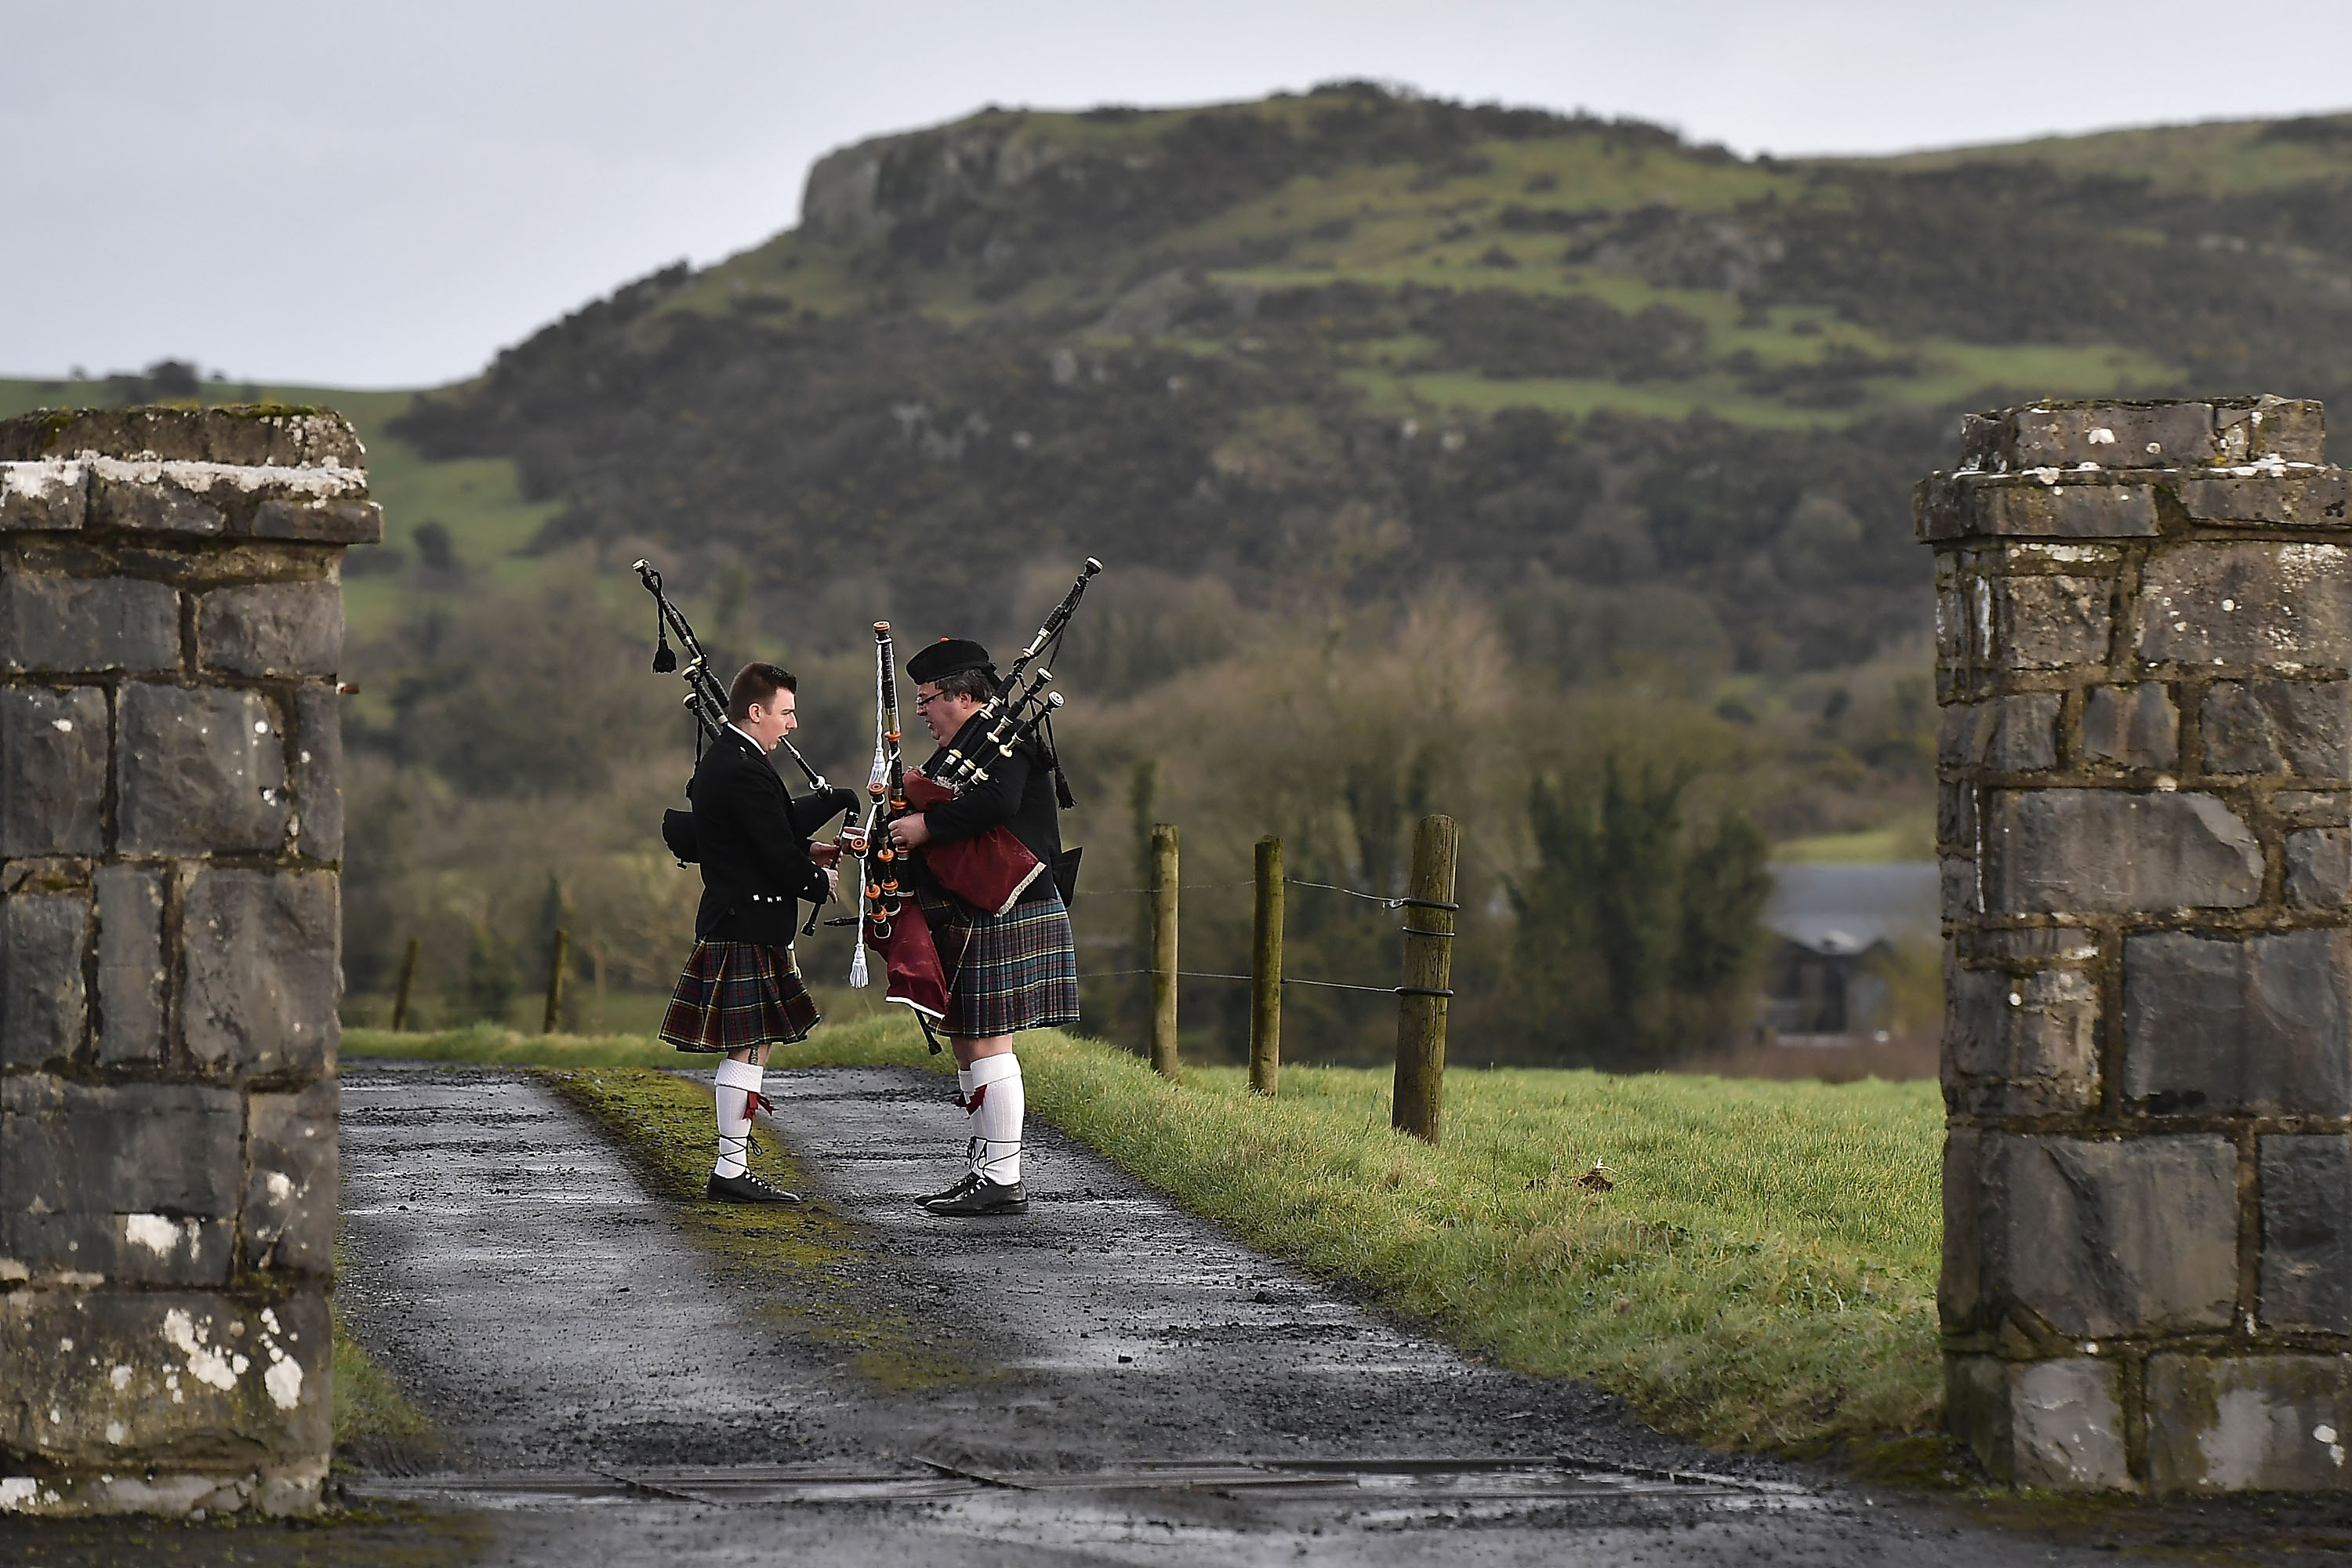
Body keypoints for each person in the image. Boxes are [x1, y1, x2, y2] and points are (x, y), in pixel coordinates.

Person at [885, 637, 1080, 1218]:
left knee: (990, 1039)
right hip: (981, 905)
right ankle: (985, 1168)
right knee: (970, 1037)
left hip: (1011, 901)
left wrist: (926, 827)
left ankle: (1002, 1175)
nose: (921, 712)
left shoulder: (1005, 740)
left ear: (963, 696)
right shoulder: (971, 744)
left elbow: (996, 804)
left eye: (927, 700)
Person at [661, 661, 841, 1203]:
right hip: (744, 922)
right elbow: (770, 851)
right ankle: (730, 1170)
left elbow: (759, 834)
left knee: (754, 1045)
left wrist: (811, 849)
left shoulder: (737, 759)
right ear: (756, 711)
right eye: (785, 713)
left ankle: (731, 1166)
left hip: (743, 919)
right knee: (747, 1047)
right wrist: (817, 878)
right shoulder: (741, 766)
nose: (792, 724)